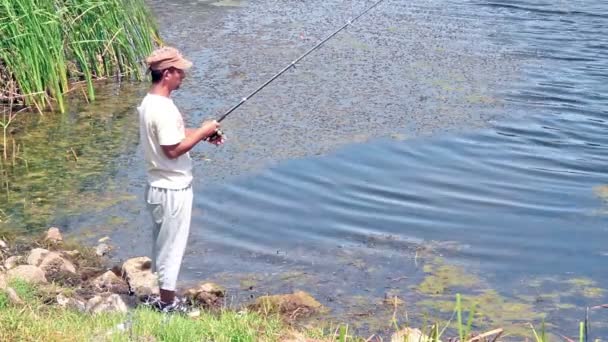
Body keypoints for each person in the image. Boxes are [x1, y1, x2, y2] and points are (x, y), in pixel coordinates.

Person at [137, 46, 223, 312]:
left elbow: (173, 134)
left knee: (164, 245)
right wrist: (204, 131)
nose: (183, 75)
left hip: (158, 187)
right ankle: (167, 305)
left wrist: (201, 133)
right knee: (172, 250)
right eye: (179, 71)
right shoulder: (162, 108)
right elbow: (172, 150)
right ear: (166, 74)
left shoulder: (150, 102)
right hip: (172, 190)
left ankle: (163, 297)